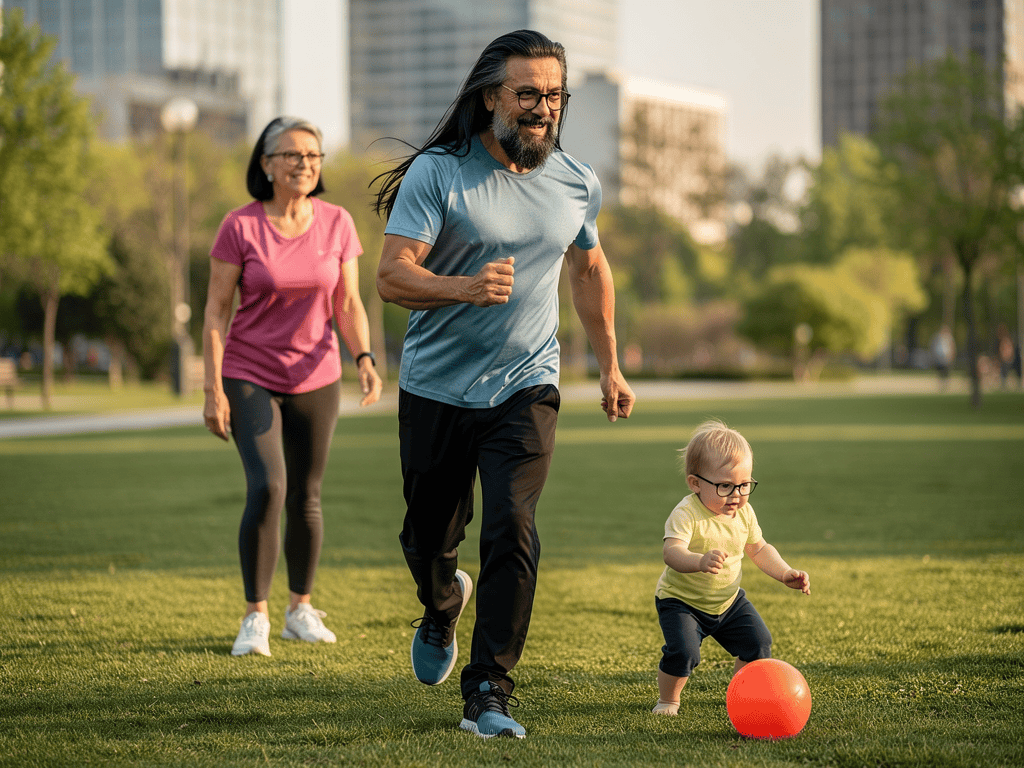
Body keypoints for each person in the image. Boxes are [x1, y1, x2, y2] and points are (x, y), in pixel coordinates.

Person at [373, 30, 635, 739]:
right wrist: (463, 286)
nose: (542, 108)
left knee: (513, 528)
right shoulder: (440, 173)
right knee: (430, 538)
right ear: (491, 97)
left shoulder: (576, 180)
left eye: (553, 95)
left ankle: (489, 690)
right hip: (436, 389)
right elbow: (392, 274)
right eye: (528, 94)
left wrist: (609, 361)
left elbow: (588, 268)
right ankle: (439, 605)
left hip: (526, 385)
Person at [202, 116, 383, 658]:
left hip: (317, 374)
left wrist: (365, 358)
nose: (305, 163)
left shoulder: (337, 223)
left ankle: (299, 609)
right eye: (293, 154)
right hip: (250, 371)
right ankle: (255, 615)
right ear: (266, 163)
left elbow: (347, 303)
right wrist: (212, 388)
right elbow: (215, 309)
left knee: (306, 495)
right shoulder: (240, 226)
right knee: (269, 487)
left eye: (314, 155)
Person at [652, 420, 810, 716]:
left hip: (728, 601)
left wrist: (785, 572)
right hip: (682, 602)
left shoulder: (743, 513)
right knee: (684, 653)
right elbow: (671, 552)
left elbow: (759, 548)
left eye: (744, 484)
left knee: (759, 644)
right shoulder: (686, 513)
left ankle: (742, 694)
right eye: (725, 486)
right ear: (695, 483)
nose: (737, 494)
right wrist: (699, 561)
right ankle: (668, 701)